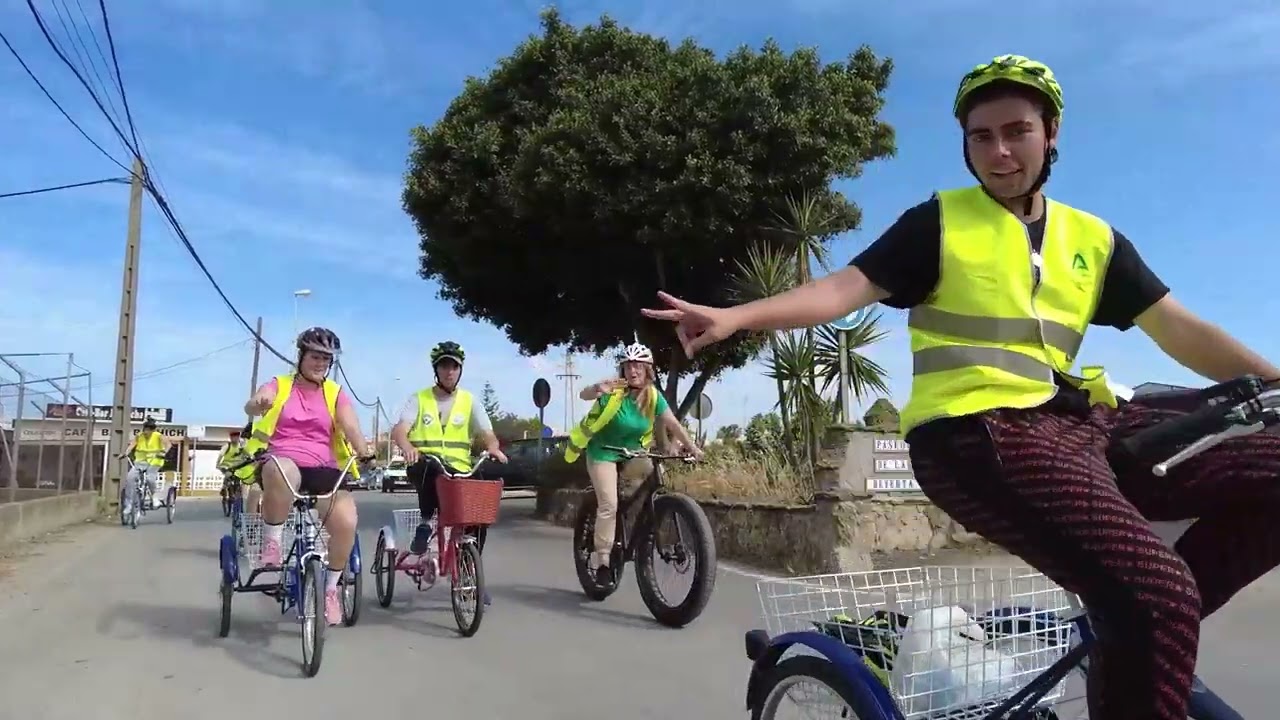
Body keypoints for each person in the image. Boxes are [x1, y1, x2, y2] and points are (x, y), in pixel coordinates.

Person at [641, 54, 1280, 720]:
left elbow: (1178, 328)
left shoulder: (1092, 240)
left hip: (1080, 424)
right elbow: (840, 289)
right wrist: (736, 316)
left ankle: (1137, 620)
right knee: (1156, 597)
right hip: (975, 436)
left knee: (1175, 578)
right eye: (982, 136)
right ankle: (1146, 610)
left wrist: (1274, 380)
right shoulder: (939, 223)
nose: (1000, 152)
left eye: (1017, 131)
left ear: (1051, 133)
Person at [242, 326, 374, 626]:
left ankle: (330, 589)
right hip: (282, 460)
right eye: (315, 356)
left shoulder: (334, 393)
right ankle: (272, 543)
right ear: (301, 356)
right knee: (281, 470)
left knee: (346, 521)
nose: (321, 363)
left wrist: (364, 450)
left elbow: (351, 426)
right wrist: (259, 403)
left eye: (326, 359)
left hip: (324, 468)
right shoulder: (280, 385)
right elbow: (255, 401)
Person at [563, 341, 702, 587]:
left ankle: (638, 530)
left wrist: (692, 448)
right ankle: (603, 561)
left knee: (650, 481)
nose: (632, 371)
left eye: (638, 366)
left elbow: (672, 423)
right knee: (609, 504)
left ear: (648, 369)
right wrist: (597, 388)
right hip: (603, 452)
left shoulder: (653, 396)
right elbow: (584, 395)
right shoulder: (614, 391)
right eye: (628, 366)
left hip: (633, 452)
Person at [390, 340, 507, 604]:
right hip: (426, 463)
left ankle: (469, 572)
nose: (449, 371)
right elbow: (400, 430)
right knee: (430, 470)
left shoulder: (469, 401)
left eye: (454, 366)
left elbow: (487, 433)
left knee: (480, 506)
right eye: (444, 366)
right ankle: (424, 524)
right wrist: (408, 447)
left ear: (460, 370)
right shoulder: (419, 398)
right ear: (436, 370)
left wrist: (493, 449)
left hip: (460, 469)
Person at [120, 417, 168, 514]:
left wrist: (163, 452)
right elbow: (132, 445)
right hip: (140, 462)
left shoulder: (158, 436)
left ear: (153, 430)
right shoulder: (139, 436)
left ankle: (154, 497)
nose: (146, 432)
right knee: (129, 478)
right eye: (145, 430)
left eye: (149, 430)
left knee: (150, 478)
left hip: (155, 461)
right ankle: (128, 505)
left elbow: (168, 445)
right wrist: (125, 453)